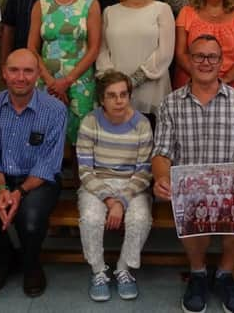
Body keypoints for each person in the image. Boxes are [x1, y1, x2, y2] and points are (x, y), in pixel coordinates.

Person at [152, 34, 234, 313]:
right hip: (190, 185)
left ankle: (225, 274)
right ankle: (198, 273)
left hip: (229, 187)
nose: (205, 62)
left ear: (221, 62)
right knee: (190, 197)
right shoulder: (170, 104)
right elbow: (162, 153)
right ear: (188, 60)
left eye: (212, 57)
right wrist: (162, 178)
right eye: (198, 56)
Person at [0, 49, 67, 298]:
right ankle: (4, 261)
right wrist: (2, 191)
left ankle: (32, 265)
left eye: (28, 71)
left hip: (38, 180)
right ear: (4, 73)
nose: (20, 77)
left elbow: (49, 163)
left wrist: (20, 192)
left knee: (30, 218)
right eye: (14, 70)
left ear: (38, 75)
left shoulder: (55, 109)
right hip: (1, 178)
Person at [76, 71, 153, 302]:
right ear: (102, 100)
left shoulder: (141, 124)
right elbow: (85, 171)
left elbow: (144, 171)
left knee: (139, 218)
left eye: (123, 95)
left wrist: (122, 200)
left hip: (132, 184)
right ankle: (98, 270)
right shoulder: (90, 121)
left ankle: (123, 268)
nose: (119, 101)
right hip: (97, 183)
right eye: (112, 96)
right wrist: (110, 200)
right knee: (90, 217)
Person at [28, 0, 101, 144]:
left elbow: (94, 48)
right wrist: (51, 82)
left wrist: (67, 81)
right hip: (47, 83)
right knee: (46, 139)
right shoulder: (41, 4)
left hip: (79, 83)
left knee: (81, 141)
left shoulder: (90, 3)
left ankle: (79, 176)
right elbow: (32, 48)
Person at [96, 0, 175, 125]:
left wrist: (133, 80)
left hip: (151, 92)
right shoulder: (110, 12)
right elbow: (102, 50)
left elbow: (165, 52)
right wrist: (114, 81)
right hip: (116, 94)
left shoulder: (162, 9)